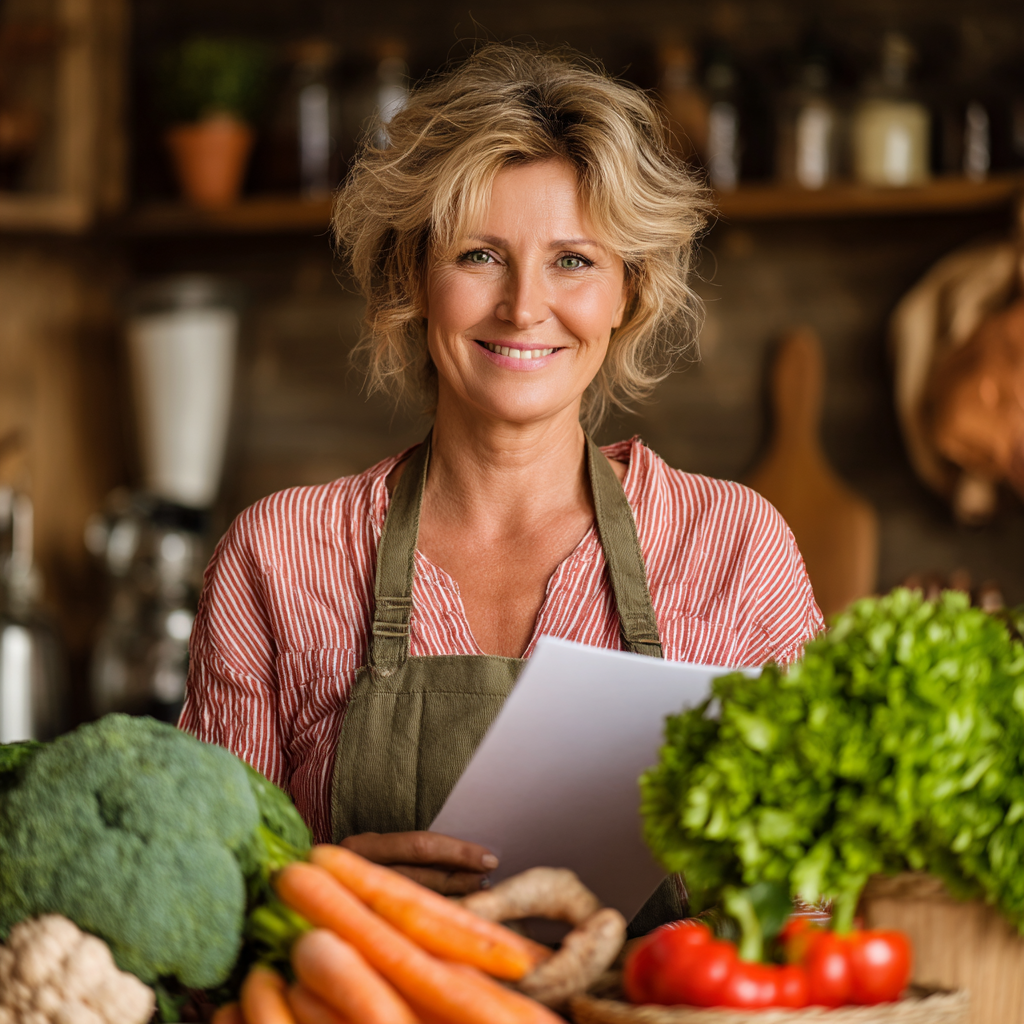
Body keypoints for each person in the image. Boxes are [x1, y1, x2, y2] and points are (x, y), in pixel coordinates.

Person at [180, 44, 823, 919]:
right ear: (412, 276)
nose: (524, 308)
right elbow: (200, 917)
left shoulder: (734, 548)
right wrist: (321, 895)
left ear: (627, 292)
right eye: (480, 255)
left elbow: (819, 907)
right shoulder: (282, 556)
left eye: (573, 260)